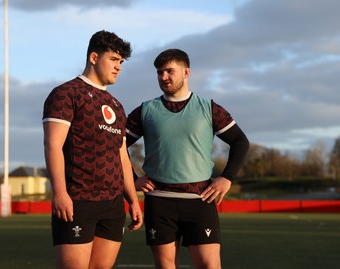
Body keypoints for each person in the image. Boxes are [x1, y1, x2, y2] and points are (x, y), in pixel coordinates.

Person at [126, 49, 249, 269]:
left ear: (186, 72)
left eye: (170, 71)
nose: (164, 77)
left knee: (209, 266)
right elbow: (115, 145)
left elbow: (240, 141)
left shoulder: (209, 108)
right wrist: (134, 178)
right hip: (159, 199)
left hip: (200, 199)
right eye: (159, 72)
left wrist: (226, 178)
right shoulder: (145, 110)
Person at [42, 30, 143, 269]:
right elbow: (53, 145)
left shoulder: (117, 106)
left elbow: (122, 157)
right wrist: (59, 192)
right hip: (78, 200)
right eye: (113, 60)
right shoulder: (66, 94)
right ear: (94, 57)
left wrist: (133, 200)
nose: (118, 67)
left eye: (121, 62)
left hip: (113, 205)